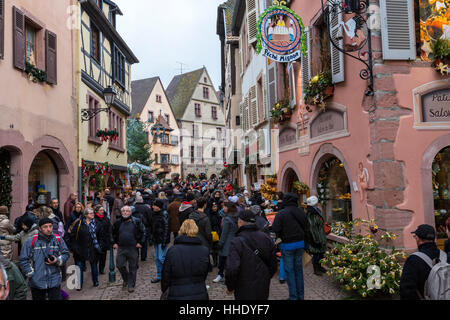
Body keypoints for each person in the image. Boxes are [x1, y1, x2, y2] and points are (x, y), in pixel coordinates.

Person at [225, 210, 277, 300]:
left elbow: (232, 269)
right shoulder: (265, 238)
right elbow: (273, 263)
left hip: (243, 286)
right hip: (262, 284)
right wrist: (267, 276)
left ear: (240, 222)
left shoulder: (236, 241)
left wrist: (230, 287)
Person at [19, 218, 69, 300]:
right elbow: (23, 259)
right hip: (37, 282)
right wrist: (31, 274)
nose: (49, 229)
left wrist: (58, 260)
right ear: (40, 228)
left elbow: (65, 253)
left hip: (54, 280)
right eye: (45, 227)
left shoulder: (58, 239)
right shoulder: (31, 241)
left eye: (50, 226)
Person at [161, 219, 210, 300]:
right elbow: (205, 271)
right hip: (199, 291)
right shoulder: (204, 250)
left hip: (176, 292)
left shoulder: (172, 251)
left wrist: (165, 289)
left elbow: (166, 274)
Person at [272, 193, 308, 300]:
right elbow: (307, 227)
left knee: (290, 271)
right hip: (300, 244)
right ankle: (300, 296)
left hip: (287, 245)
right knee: (298, 270)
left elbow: (275, 228)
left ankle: (293, 297)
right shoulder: (301, 212)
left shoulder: (281, 213)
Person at [399, 224, 450, 300]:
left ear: (417, 238)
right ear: (434, 238)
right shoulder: (446, 256)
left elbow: (406, 291)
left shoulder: (413, 260)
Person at [66, 207, 102, 289]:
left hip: (93, 248)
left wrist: (100, 245)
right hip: (80, 249)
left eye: (93, 213)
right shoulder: (79, 223)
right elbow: (72, 236)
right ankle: (79, 285)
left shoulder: (97, 223)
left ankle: (95, 281)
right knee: (79, 266)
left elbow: (101, 236)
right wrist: (74, 248)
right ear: (85, 215)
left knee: (94, 265)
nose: (93, 214)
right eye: (90, 213)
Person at [112, 206, 146, 293]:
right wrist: (114, 243)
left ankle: (131, 285)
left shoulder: (136, 221)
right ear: (121, 212)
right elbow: (113, 233)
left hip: (133, 248)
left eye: (127, 211)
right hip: (121, 248)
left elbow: (144, 232)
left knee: (133, 267)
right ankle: (126, 279)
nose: (125, 213)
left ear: (130, 213)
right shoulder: (118, 222)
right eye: (124, 211)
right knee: (120, 265)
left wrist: (140, 242)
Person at [213, 202, 238, 283]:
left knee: (223, 260)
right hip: (234, 241)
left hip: (226, 243)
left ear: (228, 208)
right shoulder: (236, 217)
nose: (223, 208)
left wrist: (220, 244)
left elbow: (224, 234)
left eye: (224, 207)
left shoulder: (227, 219)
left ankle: (223, 276)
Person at [149, 199, 170, 284]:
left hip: (162, 239)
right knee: (157, 258)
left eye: (155, 205)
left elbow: (166, 228)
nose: (153, 206)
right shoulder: (154, 214)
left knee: (161, 258)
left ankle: (168, 274)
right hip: (156, 239)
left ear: (159, 207)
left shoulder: (164, 215)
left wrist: (164, 241)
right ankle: (159, 276)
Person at [305, 196, 327, 276]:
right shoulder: (311, 214)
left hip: (320, 235)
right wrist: (317, 240)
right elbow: (312, 228)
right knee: (316, 254)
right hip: (316, 237)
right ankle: (316, 269)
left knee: (321, 253)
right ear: (315, 203)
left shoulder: (316, 210)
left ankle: (320, 267)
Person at [94, 206, 112, 275]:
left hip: (104, 240)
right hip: (97, 240)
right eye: (100, 210)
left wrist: (110, 238)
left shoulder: (106, 219)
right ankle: (95, 269)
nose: (102, 211)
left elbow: (109, 228)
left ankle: (101, 269)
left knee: (103, 256)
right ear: (97, 211)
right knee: (96, 256)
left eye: (102, 210)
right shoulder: (94, 219)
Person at [133, 195, 151, 261]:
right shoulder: (146, 208)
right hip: (145, 227)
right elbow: (150, 218)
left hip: (135, 227)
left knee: (136, 241)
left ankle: (136, 256)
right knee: (144, 243)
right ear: (142, 200)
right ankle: (143, 257)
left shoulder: (133, 207)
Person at [207, 202, 222, 267]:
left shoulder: (218, 214)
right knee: (213, 248)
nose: (215, 208)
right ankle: (215, 262)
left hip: (218, 231)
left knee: (217, 248)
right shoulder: (209, 215)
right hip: (212, 232)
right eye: (214, 207)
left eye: (216, 206)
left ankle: (217, 262)